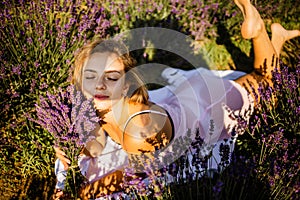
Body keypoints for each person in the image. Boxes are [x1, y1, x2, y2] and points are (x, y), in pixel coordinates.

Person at [53, 0, 300, 199]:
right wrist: (72, 147)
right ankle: (275, 38)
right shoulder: (97, 105)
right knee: (259, 82)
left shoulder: (139, 131)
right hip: (182, 98)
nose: (100, 85)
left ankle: (257, 30)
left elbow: (123, 179)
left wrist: (77, 193)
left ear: (126, 85)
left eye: (112, 77)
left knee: (269, 86)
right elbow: (93, 145)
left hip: (207, 109)